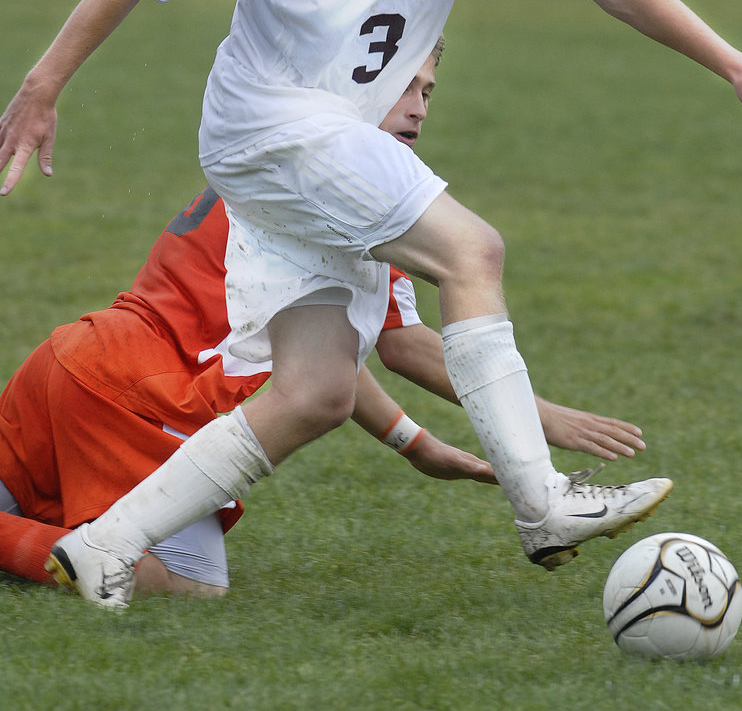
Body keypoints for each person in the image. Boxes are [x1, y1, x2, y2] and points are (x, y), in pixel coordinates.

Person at [3, 0, 742, 607]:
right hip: (268, 127)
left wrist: (732, 63)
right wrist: (43, 86)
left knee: (316, 392)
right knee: (472, 249)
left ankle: (105, 545)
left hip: (318, 146)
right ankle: (545, 506)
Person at [0, 50, 646, 599]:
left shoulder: (289, 154)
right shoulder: (349, 183)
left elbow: (331, 357)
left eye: (428, 88)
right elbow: (403, 345)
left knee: (21, 493)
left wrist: (415, 444)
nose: (419, 105)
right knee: (178, 581)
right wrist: (535, 416)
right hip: (136, 397)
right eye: (402, 83)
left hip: (73, 361)